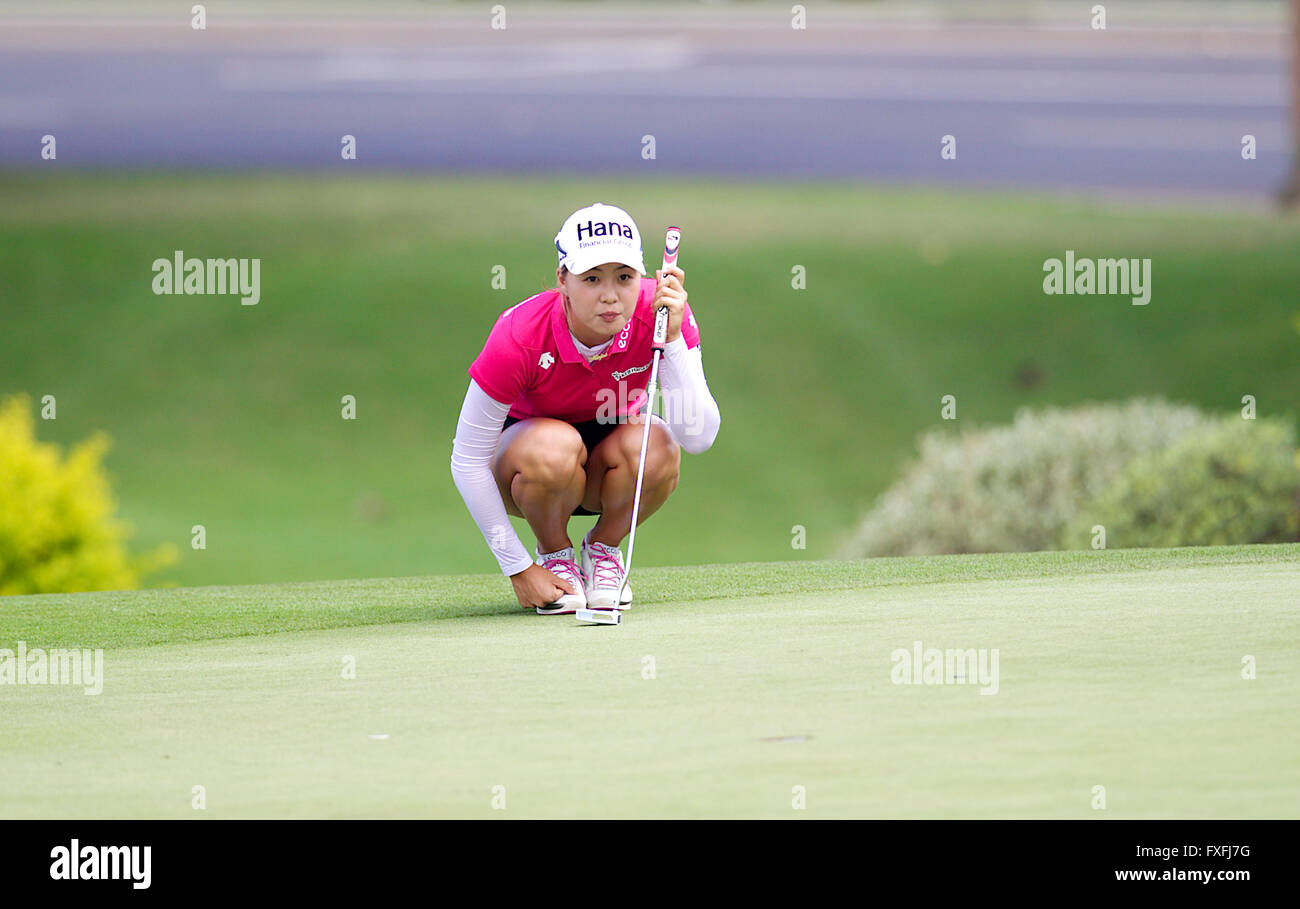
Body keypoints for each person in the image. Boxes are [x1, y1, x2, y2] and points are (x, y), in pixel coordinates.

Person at [450, 202, 721, 615]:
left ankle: (603, 552)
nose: (610, 296)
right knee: (554, 446)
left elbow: (698, 438)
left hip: (607, 463)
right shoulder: (520, 334)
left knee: (660, 444)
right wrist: (518, 568)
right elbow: (467, 460)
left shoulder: (662, 312)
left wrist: (674, 338)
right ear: (563, 279)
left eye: (625, 277)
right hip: (527, 469)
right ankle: (554, 555)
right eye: (591, 278)